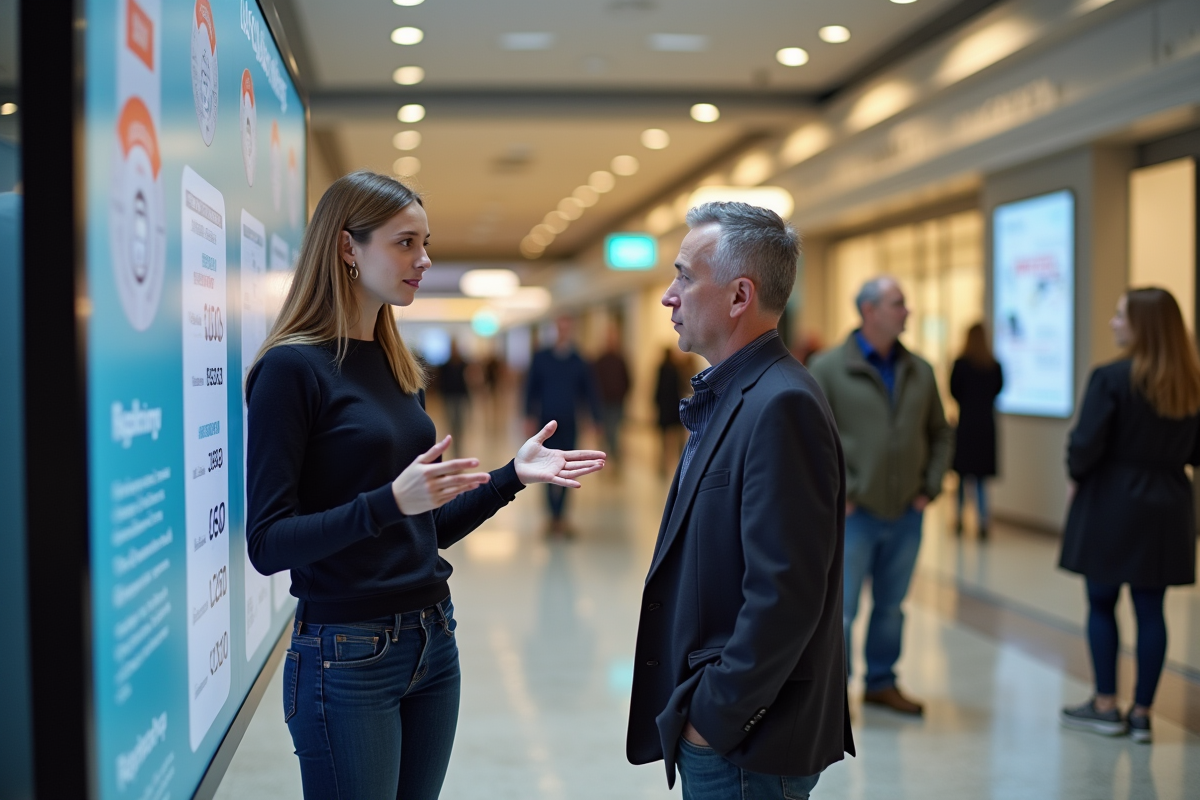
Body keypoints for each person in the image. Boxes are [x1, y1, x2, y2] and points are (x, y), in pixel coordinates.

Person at [245, 171, 605, 799]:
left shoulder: (393, 363)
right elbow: (268, 544)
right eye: (405, 243)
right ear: (346, 248)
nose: (425, 259)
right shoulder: (290, 369)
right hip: (346, 654)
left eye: (426, 242)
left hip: (432, 639)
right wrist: (385, 503)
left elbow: (421, 528)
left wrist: (509, 478)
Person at [626, 202, 854, 800]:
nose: (669, 296)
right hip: (731, 731)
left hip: (751, 742)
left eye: (684, 276)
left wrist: (715, 719)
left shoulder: (781, 404)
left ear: (738, 296)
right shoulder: (736, 394)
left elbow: (786, 593)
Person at [1059, 287, 1200, 744]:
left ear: (1142, 324)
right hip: (1169, 503)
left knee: (1102, 602)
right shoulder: (1190, 383)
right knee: (1151, 607)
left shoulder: (1111, 378)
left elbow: (1084, 445)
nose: (1113, 323)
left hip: (1112, 501)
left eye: (1120, 315)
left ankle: (1105, 704)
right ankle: (1142, 713)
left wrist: (1075, 476)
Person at [808, 276, 952, 716]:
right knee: (843, 610)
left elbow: (941, 434)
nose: (906, 312)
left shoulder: (920, 371)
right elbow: (811, 440)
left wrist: (929, 487)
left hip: (907, 512)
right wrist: (839, 494)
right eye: (898, 304)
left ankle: (882, 683)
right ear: (869, 311)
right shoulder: (828, 369)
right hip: (853, 515)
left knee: (892, 607)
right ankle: (835, 690)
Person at [524, 315, 604, 535]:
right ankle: (552, 516)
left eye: (567, 327)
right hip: (546, 424)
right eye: (560, 327)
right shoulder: (541, 358)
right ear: (555, 329)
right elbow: (530, 389)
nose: (563, 331)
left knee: (567, 470)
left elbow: (589, 392)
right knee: (546, 468)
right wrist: (528, 416)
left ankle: (562, 516)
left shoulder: (579, 360)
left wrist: (595, 419)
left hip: (570, 422)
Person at [949, 322, 1004, 539]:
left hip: (967, 425)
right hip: (986, 426)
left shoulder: (961, 365)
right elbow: (999, 389)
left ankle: (960, 520)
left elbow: (954, 390)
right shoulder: (993, 365)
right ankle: (982, 522)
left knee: (962, 478)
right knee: (980, 481)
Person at [592, 324, 631, 465]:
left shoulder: (621, 359)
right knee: (605, 431)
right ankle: (605, 458)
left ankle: (615, 459)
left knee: (614, 431)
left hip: (617, 402)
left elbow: (628, 380)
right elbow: (593, 382)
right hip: (603, 402)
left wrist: (622, 395)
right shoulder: (599, 361)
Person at [654, 347, 685, 475]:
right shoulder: (675, 369)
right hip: (674, 407)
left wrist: (655, 402)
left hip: (664, 407)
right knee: (677, 436)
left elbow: (658, 388)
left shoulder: (661, 369)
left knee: (664, 438)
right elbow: (679, 388)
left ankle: (663, 463)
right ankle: (679, 461)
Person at [438, 340, 470, 455]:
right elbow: (442, 381)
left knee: (460, 421)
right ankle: (453, 442)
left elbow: (467, 381)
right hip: (449, 395)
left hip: (460, 395)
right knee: (451, 420)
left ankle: (458, 442)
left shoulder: (463, 364)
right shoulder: (445, 365)